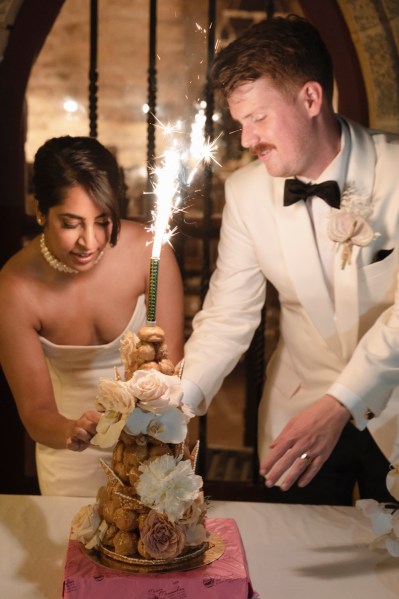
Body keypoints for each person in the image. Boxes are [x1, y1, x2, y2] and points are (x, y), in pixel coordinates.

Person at [181, 15, 399, 505]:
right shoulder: (245, 193)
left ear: (311, 98)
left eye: (258, 118)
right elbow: (228, 315)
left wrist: (342, 401)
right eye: (240, 124)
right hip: (297, 420)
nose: (247, 139)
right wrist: (181, 400)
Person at [0, 135, 184, 497]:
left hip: (152, 445)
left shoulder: (150, 253)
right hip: (70, 456)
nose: (90, 241)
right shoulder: (13, 287)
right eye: (70, 223)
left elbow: (174, 366)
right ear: (40, 212)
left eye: (103, 220)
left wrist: (146, 421)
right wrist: (71, 430)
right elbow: (35, 410)